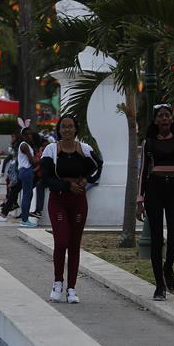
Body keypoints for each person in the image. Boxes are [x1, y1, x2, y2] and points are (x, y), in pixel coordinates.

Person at [136, 104, 174, 301]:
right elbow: (143, 171)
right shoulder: (149, 142)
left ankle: (167, 268)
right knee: (156, 239)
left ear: (172, 119)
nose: (164, 118)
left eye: (167, 115)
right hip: (154, 188)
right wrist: (140, 200)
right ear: (155, 121)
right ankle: (159, 286)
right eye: (160, 116)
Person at [40, 114, 100, 305]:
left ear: (76, 129)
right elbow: (46, 177)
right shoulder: (50, 150)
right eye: (63, 126)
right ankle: (57, 283)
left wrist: (85, 180)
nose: (67, 130)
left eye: (70, 126)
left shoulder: (84, 149)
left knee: (74, 244)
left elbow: (98, 167)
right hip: (58, 199)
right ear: (59, 129)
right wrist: (66, 187)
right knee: (62, 240)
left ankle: (71, 288)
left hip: (78, 200)